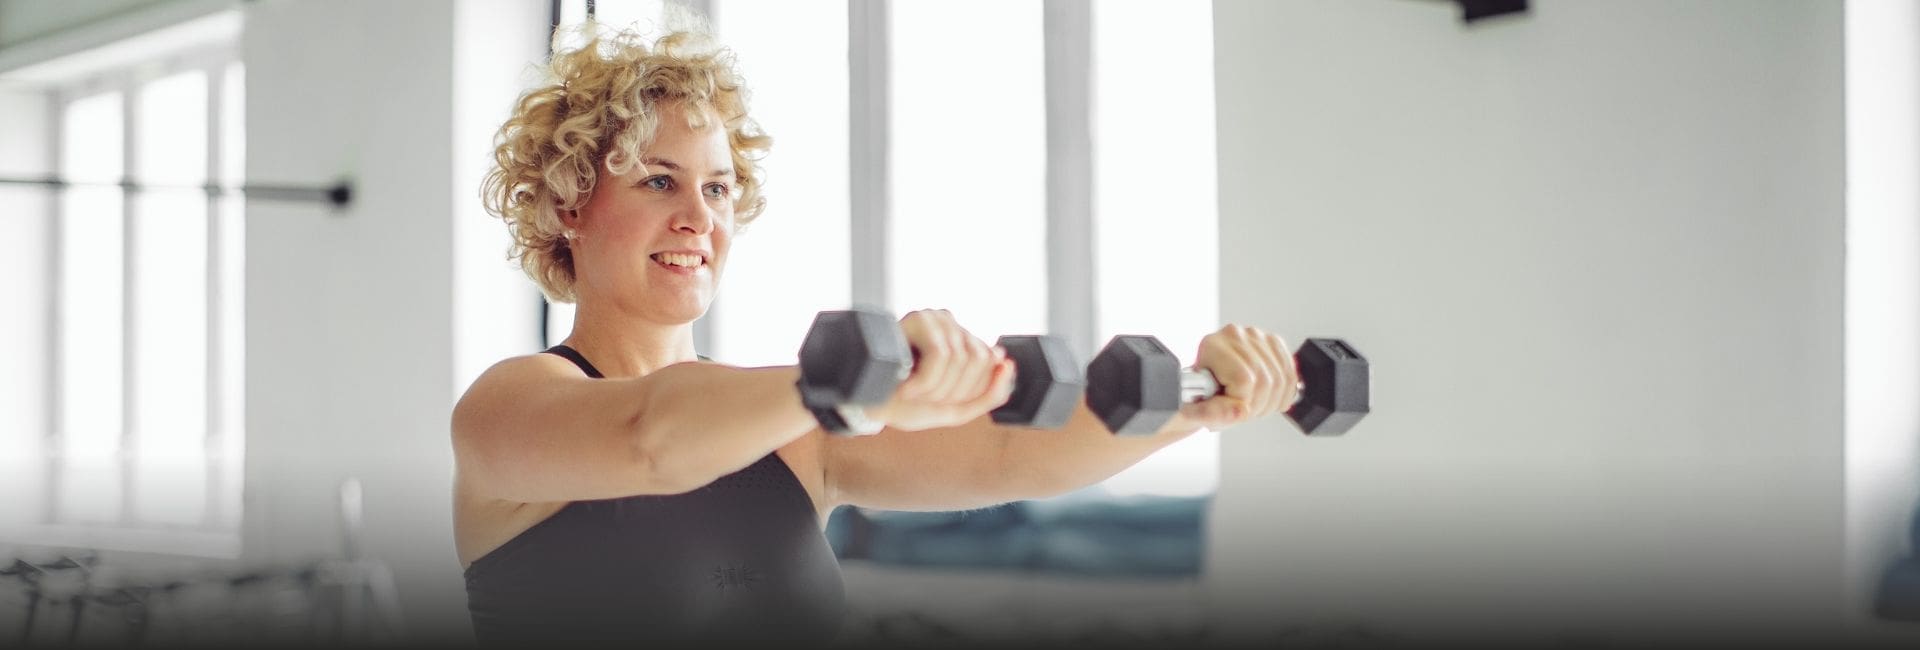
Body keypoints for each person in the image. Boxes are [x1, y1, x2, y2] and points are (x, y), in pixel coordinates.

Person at [453, 23, 1300, 645]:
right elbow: (651, 437)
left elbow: (1012, 453)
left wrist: (1195, 405)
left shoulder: (796, 438)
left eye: (717, 188)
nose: (698, 218)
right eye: (658, 181)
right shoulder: (509, 407)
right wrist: (854, 387)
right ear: (570, 205)